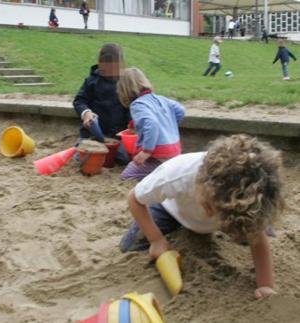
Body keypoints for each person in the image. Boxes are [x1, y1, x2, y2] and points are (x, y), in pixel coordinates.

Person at [119, 134, 284, 300]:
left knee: (254, 226)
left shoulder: (243, 206)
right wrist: (155, 240)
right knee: (130, 245)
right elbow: (134, 199)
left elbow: (258, 239)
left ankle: (243, 222)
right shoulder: (176, 174)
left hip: (231, 215)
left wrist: (265, 285)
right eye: (208, 206)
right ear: (202, 182)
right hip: (172, 211)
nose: (209, 214)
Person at [117, 68, 185, 181]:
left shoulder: (137, 105)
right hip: (174, 151)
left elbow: (151, 122)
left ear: (124, 91)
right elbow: (180, 110)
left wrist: (146, 151)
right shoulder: (161, 99)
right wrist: (167, 126)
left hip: (157, 155)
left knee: (127, 176)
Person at [73, 43, 131, 165]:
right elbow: (79, 100)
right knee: (81, 156)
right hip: (93, 134)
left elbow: (131, 107)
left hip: (116, 137)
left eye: (114, 69)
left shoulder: (125, 82)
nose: (110, 74)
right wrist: (86, 113)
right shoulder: (92, 81)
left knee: (124, 158)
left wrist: (131, 127)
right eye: (106, 69)